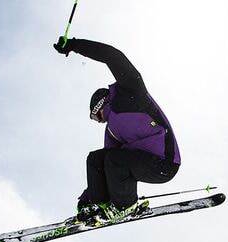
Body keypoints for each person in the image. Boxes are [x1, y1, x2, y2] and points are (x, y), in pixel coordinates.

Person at [54, 37, 181, 224]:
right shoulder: (112, 130)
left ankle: (125, 205)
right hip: (140, 161)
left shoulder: (130, 93)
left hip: (164, 163)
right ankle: (98, 205)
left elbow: (113, 57)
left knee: (114, 159)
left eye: (94, 116)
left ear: (100, 105)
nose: (97, 122)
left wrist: (74, 45)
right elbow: (104, 167)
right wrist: (86, 198)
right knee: (97, 159)